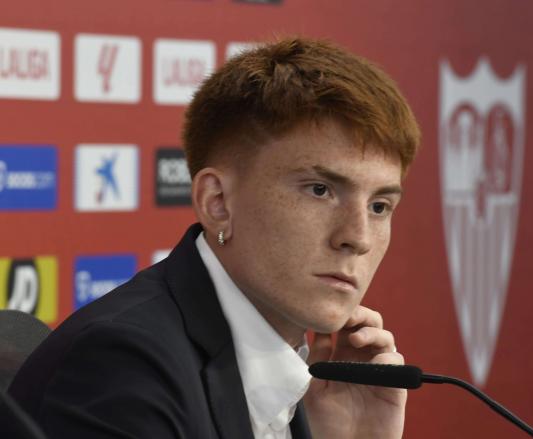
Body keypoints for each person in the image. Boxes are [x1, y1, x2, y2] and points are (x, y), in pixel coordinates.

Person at [9, 37, 421, 438]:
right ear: (217, 201)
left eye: (379, 206)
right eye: (320, 190)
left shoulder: (290, 376)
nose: (358, 237)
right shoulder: (121, 368)